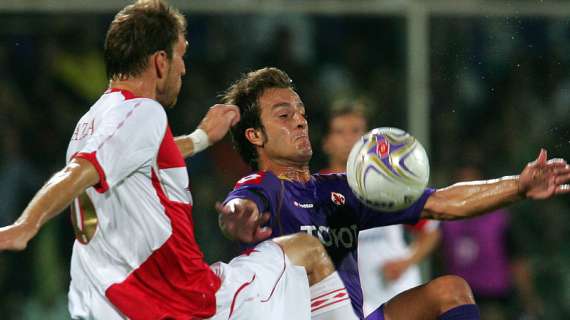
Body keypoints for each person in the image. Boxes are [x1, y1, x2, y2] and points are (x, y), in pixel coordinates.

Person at [0, 2, 353, 319]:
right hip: (192, 302)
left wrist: (199, 139)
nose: (184, 68)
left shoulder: (92, 121)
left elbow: (137, 156)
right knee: (307, 250)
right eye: (180, 55)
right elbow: (82, 170)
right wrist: (25, 226)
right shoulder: (144, 111)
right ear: (160, 61)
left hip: (117, 304)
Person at [215, 67, 570, 320]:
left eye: (301, 112)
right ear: (255, 136)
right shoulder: (265, 188)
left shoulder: (340, 190)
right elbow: (241, 204)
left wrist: (518, 186)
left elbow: (441, 203)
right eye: (284, 114)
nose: (300, 120)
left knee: (450, 291)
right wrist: (236, 216)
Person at [320, 102, 441, 317]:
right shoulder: (317, 191)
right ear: (326, 142)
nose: (349, 139)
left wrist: (406, 261)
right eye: (340, 132)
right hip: (354, 303)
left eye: (356, 131)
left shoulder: (387, 182)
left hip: (401, 292)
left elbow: (430, 233)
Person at [440, 162, 543, 320]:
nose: (465, 193)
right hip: (457, 299)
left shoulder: (500, 221)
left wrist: (529, 300)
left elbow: (517, 262)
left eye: (470, 185)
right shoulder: (444, 221)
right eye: (459, 185)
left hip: (493, 299)